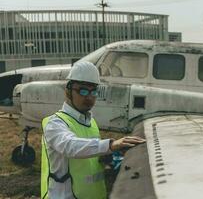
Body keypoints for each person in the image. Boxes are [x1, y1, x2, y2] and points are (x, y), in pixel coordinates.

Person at [41, 61, 145, 199]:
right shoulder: (55, 123)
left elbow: (89, 159)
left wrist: (110, 156)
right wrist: (110, 145)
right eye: (83, 91)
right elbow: (70, 146)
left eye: (94, 91)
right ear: (68, 91)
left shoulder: (91, 123)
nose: (89, 97)